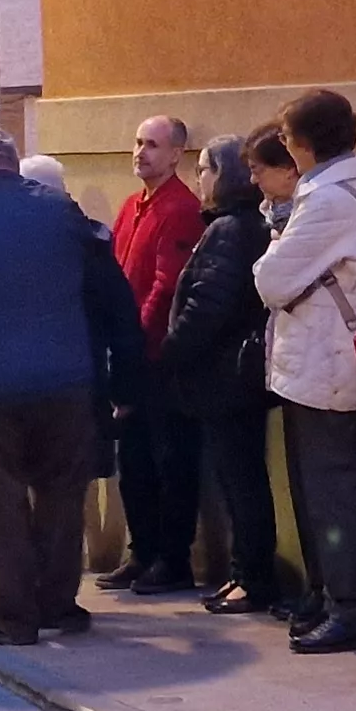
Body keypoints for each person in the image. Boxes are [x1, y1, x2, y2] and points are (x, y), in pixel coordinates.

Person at [0, 127, 132, 646]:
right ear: (13, 162)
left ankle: (15, 618)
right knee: (62, 495)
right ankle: (59, 604)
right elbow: (100, 278)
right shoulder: (61, 211)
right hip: (63, 379)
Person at [251, 89, 356, 656]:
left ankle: (351, 609)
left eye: (288, 141)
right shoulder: (348, 189)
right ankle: (334, 600)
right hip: (332, 361)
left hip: (328, 365)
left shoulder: (328, 200)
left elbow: (269, 281)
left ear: (306, 145)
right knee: (335, 493)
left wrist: (277, 241)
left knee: (333, 494)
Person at [165, 130, 288, 618]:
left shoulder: (231, 229)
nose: (200, 179)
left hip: (226, 376)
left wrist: (172, 349)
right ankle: (246, 572)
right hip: (233, 375)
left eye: (204, 169)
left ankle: (251, 576)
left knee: (240, 478)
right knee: (240, 476)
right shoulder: (239, 224)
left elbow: (210, 303)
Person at [107, 115, 207, 595]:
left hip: (159, 359)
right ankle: (142, 551)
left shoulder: (181, 208)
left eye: (152, 144)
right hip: (130, 355)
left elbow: (166, 286)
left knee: (169, 462)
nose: (141, 152)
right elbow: (118, 273)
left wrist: (137, 338)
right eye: (138, 141)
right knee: (135, 463)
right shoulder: (132, 207)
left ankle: (172, 558)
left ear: (176, 155)